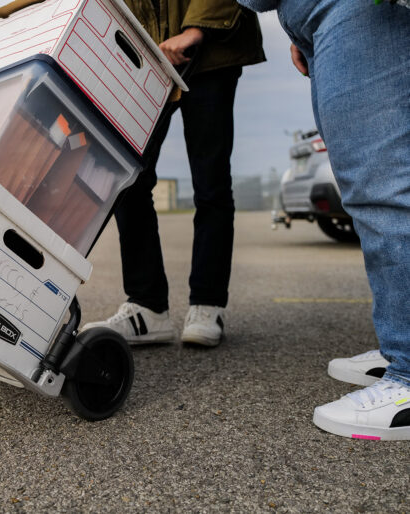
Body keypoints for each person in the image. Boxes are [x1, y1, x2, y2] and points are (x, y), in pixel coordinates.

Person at [238, 0, 409, 440]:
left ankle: (409, 372)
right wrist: (299, 30)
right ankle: (400, 346)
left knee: (382, 186)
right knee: (373, 187)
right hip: (320, 18)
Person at [83, 0, 265, 347]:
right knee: (129, 178)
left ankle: (207, 303)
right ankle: (147, 307)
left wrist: (197, 29)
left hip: (210, 50)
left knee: (210, 181)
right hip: (143, 52)